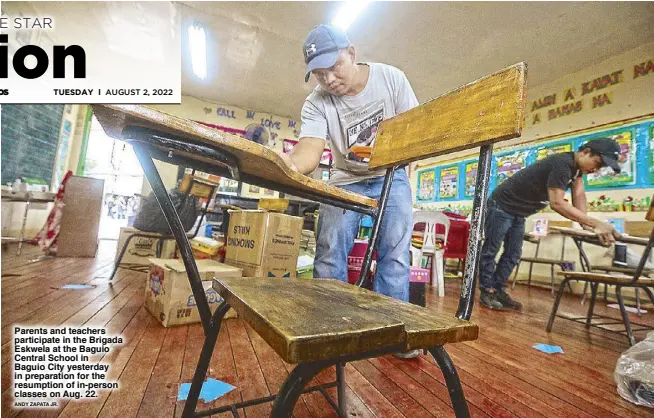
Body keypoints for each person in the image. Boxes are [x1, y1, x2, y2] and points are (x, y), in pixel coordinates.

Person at [277, 24, 419, 358]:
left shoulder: (390, 79)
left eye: (334, 67)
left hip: (390, 174)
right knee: (329, 249)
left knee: (395, 253)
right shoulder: (316, 103)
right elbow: (309, 152)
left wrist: (401, 168)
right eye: (319, 73)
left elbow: (414, 133)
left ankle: (394, 331)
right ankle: (330, 329)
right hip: (344, 178)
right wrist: (284, 164)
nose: (328, 79)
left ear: (352, 53)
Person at [479, 137, 623, 310]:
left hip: (519, 212)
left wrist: (587, 225)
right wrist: (595, 223)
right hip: (501, 206)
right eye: (598, 163)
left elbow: (579, 195)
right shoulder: (562, 164)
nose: (596, 169)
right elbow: (557, 203)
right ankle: (487, 290)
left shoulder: (576, 171)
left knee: (513, 254)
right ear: (586, 152)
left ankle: (498, 290)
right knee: (491, 250)